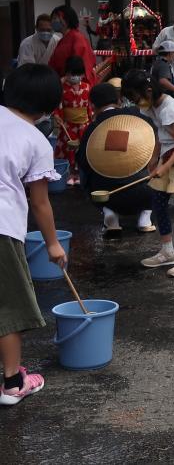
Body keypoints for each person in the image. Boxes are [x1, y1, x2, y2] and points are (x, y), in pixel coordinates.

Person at [0, 64, 67, 406]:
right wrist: (53, 244)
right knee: (8, 306)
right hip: (2, 227)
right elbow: (40, 202)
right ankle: (13, 383)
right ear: (48, 105)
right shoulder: (36, 140)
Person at [122, 70, 174, 278]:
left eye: (135, 97)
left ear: (148, 90)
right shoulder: (151, 107)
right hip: (168, 155)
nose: (135, 102)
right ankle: (167, 251)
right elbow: (160, 135)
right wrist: (153, 159)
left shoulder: (169, 108)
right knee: (158, 202)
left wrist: (163, 168)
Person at [77, 83, 156, 236]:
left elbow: (83, 162)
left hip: (107, 194)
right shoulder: (139, 116)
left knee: (84, 164)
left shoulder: (93, 128)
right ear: (119, 100)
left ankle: (109, 212)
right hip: (144, 190)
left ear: (92, 106)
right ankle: (145, 217)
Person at [54, 55, 93, 186]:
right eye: (72, 74)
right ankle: (70, 173)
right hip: (68, 125)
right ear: (67, 73)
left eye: (77, 74)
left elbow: (89, 106)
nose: (74, 77)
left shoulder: (87, 87)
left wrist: (92, 119)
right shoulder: (61, 88)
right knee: (68, 149)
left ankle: (80, 174)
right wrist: (57, 116)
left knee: (82, 149)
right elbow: (58, 106)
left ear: (82, 74)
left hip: (84, 125)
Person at [48, 5, 97, 86]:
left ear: (65, 20)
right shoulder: (63, 39)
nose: (52, 21)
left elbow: (81, 66)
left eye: (55, 18)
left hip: (76, 85)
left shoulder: (77, 38)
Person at [150, 40, 174, 108]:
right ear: (170, 53)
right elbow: (163, 81)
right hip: (162, 97)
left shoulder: (158, 62)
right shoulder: (163, 64)